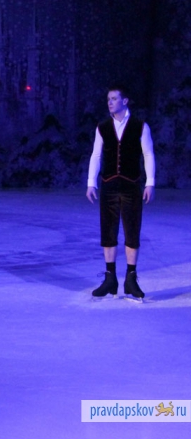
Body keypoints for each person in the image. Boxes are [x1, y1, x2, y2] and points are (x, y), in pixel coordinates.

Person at [86, 85, 155, 301]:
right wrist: (91, 182)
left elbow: (148, 154)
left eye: (114, 99)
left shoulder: (140, 126)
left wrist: (150, 182)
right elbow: (96, 155)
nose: (110, 102)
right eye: (108, 99)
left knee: (132, 230)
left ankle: (131, 278)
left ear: (125, 101)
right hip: (108, 185)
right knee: (108, 230)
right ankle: (110, 278)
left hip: (131, 185)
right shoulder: (103, 127)